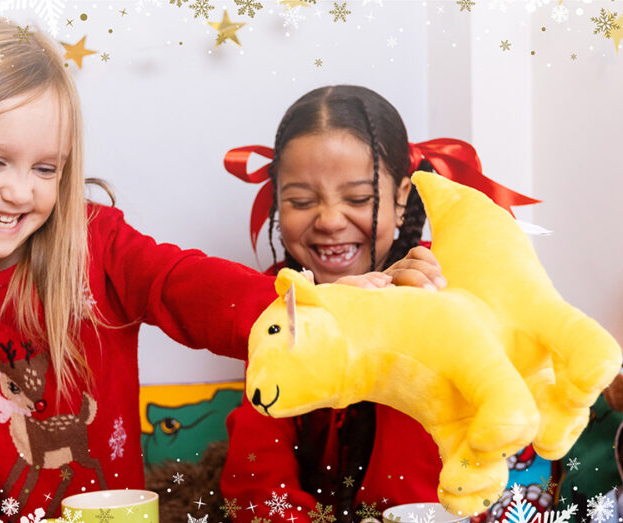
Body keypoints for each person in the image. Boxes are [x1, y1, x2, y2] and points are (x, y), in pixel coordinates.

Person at [0, 23, 442, 521]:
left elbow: (181, 283)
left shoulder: (93, 241)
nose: (20, 192)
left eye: (47, 168)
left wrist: (325, 308)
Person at [221, 85, 540, 523]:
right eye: (300, 201)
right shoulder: (282, 302)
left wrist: (408, 325)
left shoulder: (447, 285)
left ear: (402, 196)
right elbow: (257, 477)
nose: (330, 220)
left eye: (357, 199)